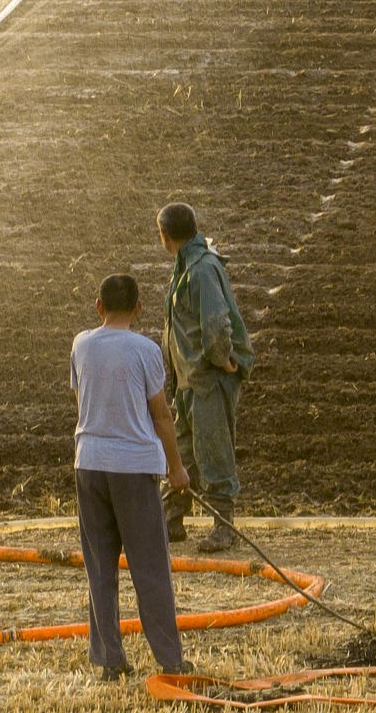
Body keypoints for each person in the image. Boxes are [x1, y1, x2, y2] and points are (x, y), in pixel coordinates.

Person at [70, 273, 194, 680]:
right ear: (139, 308)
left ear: (98, 306)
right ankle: (170, 660)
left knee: (100, 567)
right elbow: (160, 414)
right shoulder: (146, 349)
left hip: (89, 464)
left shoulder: (81, 344)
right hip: (135, 467)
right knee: (150, 566)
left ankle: (109, 660)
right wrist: (176, 469)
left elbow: (83, 399)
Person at [157, 202, 253, 553]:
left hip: (207, 377)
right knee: (182, 451)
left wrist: (222, 358)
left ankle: (223, 528)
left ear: (165, 236)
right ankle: (172, 519)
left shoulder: (201, 269)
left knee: (213, 451)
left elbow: (215, 322)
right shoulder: (188, 266)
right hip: (189, 377)